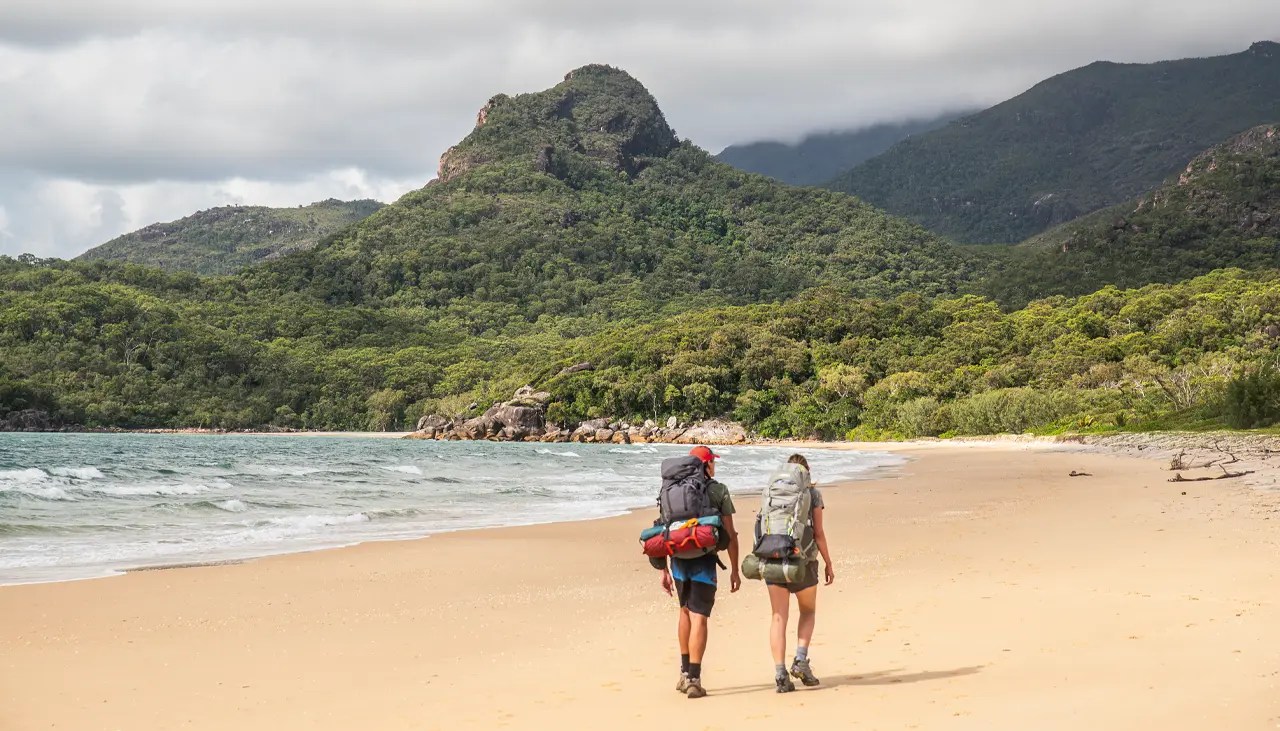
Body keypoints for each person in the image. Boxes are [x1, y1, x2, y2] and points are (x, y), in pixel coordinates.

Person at [659, 445, 740, 699]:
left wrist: (663, 570)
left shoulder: (670, 489)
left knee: (684, 612)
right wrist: (734, 569)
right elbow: (731, 534)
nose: (714, 466)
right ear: (706, 466)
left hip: (678, 559)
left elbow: (664, 529)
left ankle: (684, 674)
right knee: (700, 617)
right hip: (704, 560)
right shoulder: (718, 490)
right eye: (712, 462)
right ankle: (694, 678)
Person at [766, 454, 834, 693]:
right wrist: (828, 562)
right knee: (807, 611)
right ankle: (801, 660)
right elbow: (818, 533)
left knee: (778, 617)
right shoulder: (813, 494)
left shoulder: (772, 491)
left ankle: (780, 674)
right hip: (803, 560)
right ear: (807, 471)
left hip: (773, 557)